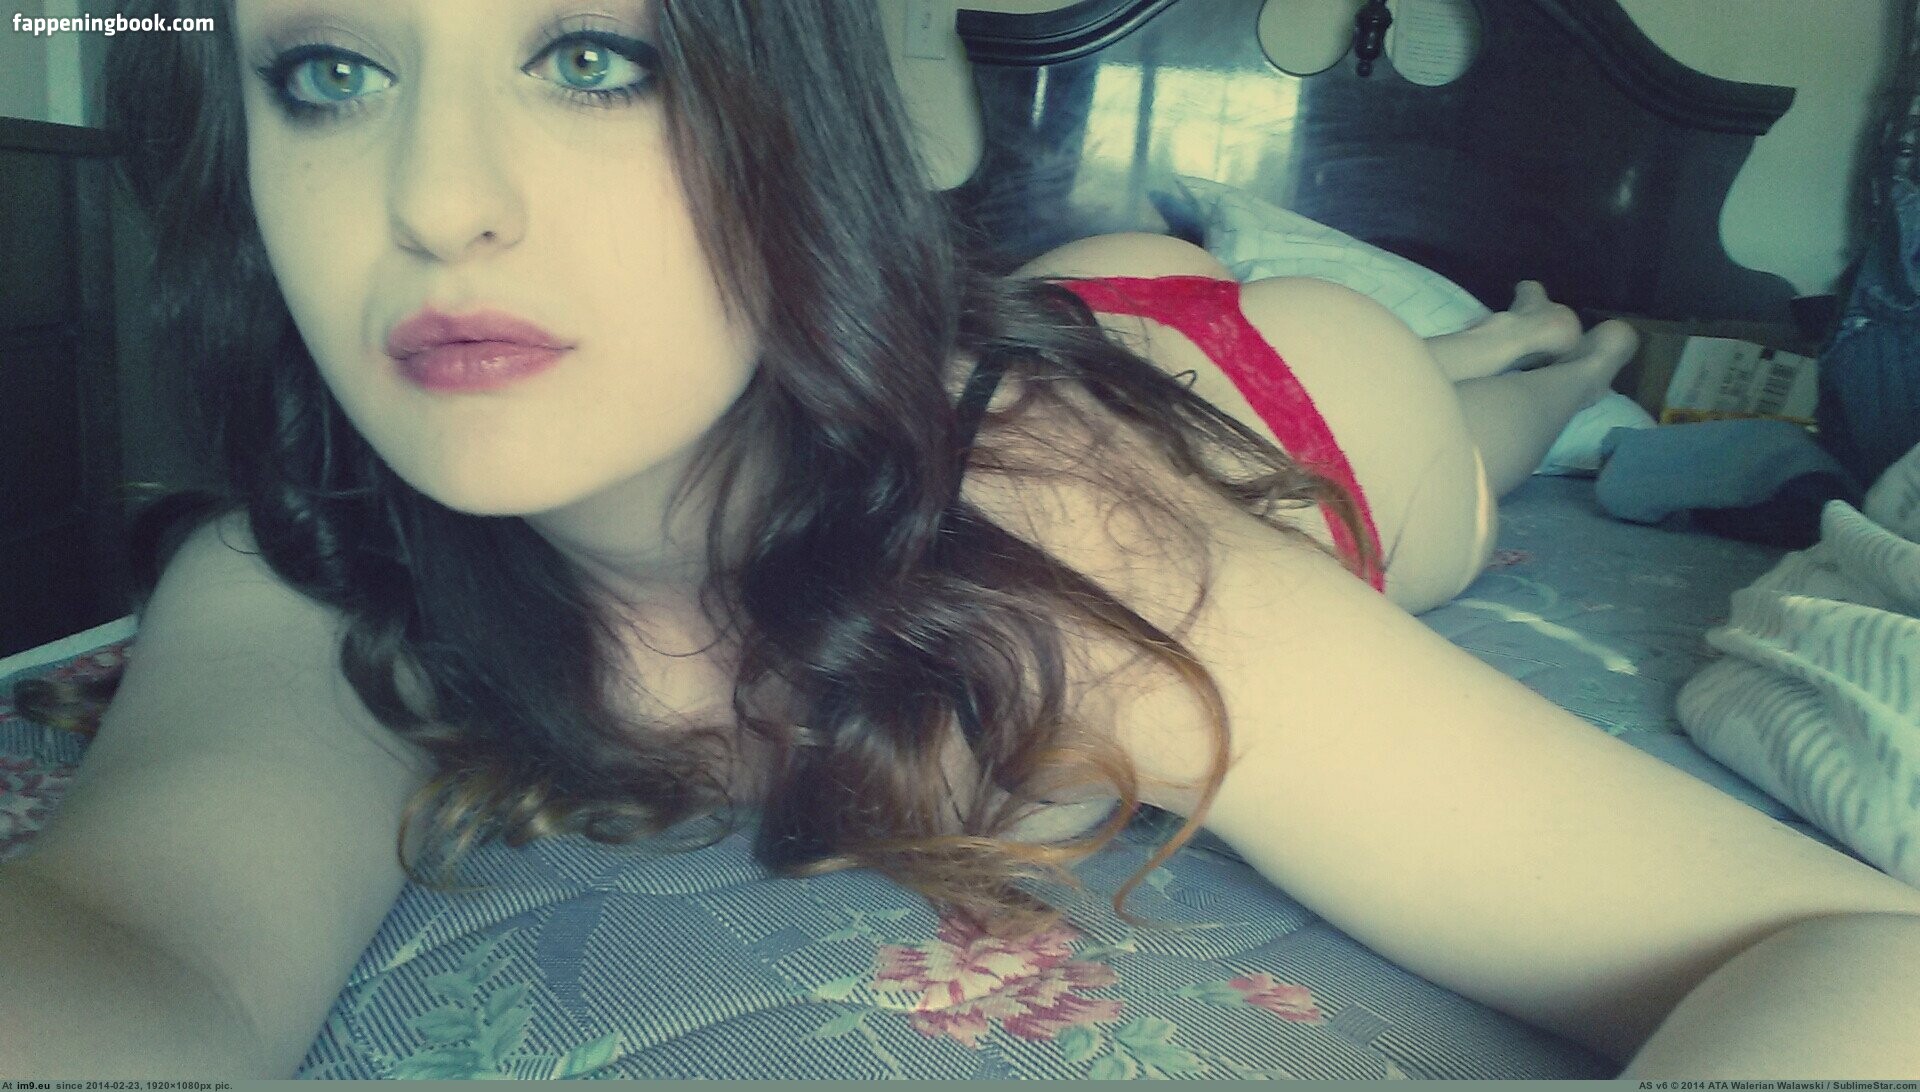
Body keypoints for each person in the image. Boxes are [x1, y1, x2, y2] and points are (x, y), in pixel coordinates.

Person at [2, 0, 1917, 1080]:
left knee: (1493, 409)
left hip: (1306, 406)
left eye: (592, 56)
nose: (435, 206)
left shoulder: (1055, 529)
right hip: (1056, 332)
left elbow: (1854, 953)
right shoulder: (298, 576)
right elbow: (135, 951)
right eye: (328, 72)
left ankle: (1552, 356)